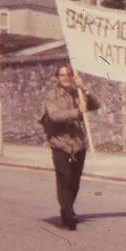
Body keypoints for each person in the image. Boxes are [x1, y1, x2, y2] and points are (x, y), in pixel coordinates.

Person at [41, 65, 100, 230]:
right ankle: (68, 217)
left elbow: (96, 105)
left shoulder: (78, 92)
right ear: (57, 78)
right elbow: (54, 116)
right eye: (62, 75)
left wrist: (84, 88)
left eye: (68, 74)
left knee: (74, 183)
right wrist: (77, 112)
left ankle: (67, 210)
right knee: (64, 179)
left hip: (78, 145)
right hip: (60, 144)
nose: (65, 77)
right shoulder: (51, 95)